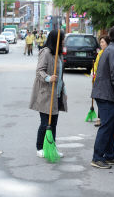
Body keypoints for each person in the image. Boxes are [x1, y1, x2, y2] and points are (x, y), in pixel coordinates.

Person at [90, 26, 114, 169]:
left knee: (111, 126)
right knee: (106, 126)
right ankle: (97, 157)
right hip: (107, 94)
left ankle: (109, 155)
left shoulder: (112, 49)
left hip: (106, 93)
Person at [29, 29, 67, 158]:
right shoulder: (45, 52)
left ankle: (51, 147)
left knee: (54, 123)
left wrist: (63, 90)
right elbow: (39, 71)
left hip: (56, 93)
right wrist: (48, 78)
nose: (63, 40)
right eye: (62, 38)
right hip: (45, 93)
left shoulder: (59, 54)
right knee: (45, 123)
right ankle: (40, 147)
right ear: (55, 40)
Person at [91, 35, 110, 127]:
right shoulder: (100, 53)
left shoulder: (108, 53)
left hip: (103, 81)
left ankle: (100, 118)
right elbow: (96, 65)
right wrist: (92, 72)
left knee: (102, 99)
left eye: (103, 42)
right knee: (99, 99)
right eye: (100, 42)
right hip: (97, 80)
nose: (101, 44)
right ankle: (100, 117)